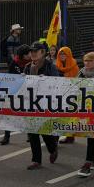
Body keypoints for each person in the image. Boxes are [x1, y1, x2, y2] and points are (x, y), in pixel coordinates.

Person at [24, 42, 60, 170]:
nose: (33, 53)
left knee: (44, 131)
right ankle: (36, 160)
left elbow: (57, 83)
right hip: (31, 103)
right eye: (31, 51)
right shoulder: (28, 67)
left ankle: (52, 148)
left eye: (36, 51)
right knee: (32, 132)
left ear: (42, 53)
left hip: (45, 104)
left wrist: (46, 80)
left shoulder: (50, 66)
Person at [76, 52, 94, 177]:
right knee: (90, 133)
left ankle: (88, 163)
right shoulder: (81, 73)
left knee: (91, 133)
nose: (86, 63)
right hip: (85, 107)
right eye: (85, 60)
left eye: (89, 61)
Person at [0, 44, 30, 145]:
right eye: (27, 53)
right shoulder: (15, 63)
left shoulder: (31, 63)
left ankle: (30, 135)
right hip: (15, 91)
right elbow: (9, 76)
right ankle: (6, 136)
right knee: (9, 113)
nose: (30, 55)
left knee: (28, 114)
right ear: (23, 55)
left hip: (27, 92)